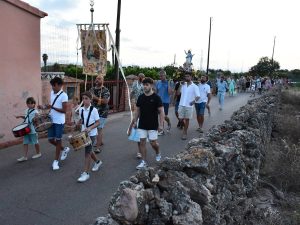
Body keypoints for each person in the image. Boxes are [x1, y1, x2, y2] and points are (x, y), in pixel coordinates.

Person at [129, 77, 164, 170]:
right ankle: (144, 162)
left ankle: (158, 152)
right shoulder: (141, 97)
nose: (145, 87)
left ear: (151, 86)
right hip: (142, 124)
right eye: (144, 85)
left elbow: (161, 111)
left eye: (147, 85)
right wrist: (135, 121)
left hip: (153, 124)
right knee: (142, 142)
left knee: (153, 143)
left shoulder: (156, 98)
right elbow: (137, 111)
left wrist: (161, 124)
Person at [39, 77, 70, 171]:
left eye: (54, 85)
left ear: (60, 85)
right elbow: (51, 106)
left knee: (58, 140)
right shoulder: (52, 93)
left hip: (59, 121)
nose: (52, 87)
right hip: (51, 120)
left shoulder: (64, 95)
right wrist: (43, 107)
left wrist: (51, 106)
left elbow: (64, 110)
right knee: (50, 140)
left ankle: (56, 161)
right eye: (52, 85)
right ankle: (64, 149)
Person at [77, 92, 102, 183]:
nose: (84, 100)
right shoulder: (81, 109)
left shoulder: (94, 110)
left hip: (91, 134)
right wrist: (78, 123)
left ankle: (86, 173)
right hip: (84, 133)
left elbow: (98, 122)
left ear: (90, 100)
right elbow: (81, 120)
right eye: (83, 98)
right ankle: (98, 162)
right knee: (89, 150)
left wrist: (90, 128)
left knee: (87, 152)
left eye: (86, 98)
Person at [15, 97, 41, 162]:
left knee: (35, 142)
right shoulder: (26, 110)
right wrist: (20, 116)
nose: (29, 105)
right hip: (26, 129)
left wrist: (36, 118)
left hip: (33, 129)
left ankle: (38, 153)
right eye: (28, 103)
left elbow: (38, 119)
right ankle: (25, 156)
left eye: (30, 103)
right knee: (25, 142)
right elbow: (26, 117)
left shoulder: (36, 111)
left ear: (34, 104)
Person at [89, 74, 110, 153]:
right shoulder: (91, 89)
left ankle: (97, 147)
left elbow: (105, 101)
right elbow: (89, 99)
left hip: (102, 112)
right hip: (93, 112)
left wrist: (95, 97)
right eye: (96, 78)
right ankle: (100, 141)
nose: (97, 80)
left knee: (99, 128)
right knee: (94, 128)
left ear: (102, 81)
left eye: (99, 79)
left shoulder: (105, 90)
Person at [178, 72, 200, 140]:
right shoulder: (183, 85)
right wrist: (180, 85)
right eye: (185, 76)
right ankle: (185, 127)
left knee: (187, 119)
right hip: (181, 104)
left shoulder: (195, 86)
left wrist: (193, 102)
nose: (186, 77)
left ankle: (185, 132)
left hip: (189, 106)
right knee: (180, 119)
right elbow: (178, 93)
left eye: (188, 76)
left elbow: (198, 96)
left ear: (191, 77)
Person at [130, 73, 145, 159]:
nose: (141, 78)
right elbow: (132, 92)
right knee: (137, 127)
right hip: (137, 106)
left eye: (142, 77)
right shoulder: (135, 84)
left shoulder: (145, 84)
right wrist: (131, 101)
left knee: (143, 129)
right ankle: (139, 151)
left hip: (144, 107)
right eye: (139, 76)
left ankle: (142, 149)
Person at [155, 70, 173, 134]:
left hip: (165, 102)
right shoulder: (158, 82)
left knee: (164, 116)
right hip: (158, 102)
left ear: (165, 76)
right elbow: (156, 92)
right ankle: (161, 130)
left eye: (162, 76)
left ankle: (169, 122)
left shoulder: (169, 83)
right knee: (160, 115)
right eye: (159, 76)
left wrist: (168, 84)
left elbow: (170, 93)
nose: (160, 77)